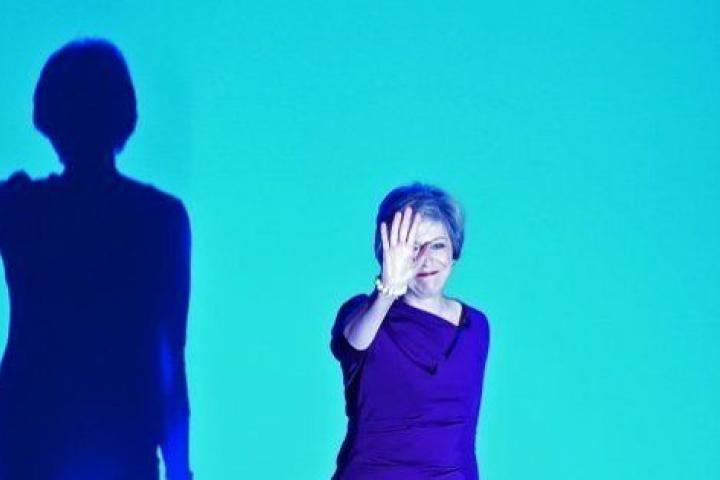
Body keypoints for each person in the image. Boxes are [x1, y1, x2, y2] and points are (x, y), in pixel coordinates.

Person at [0, 39, 192, 480]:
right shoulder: (160, 217)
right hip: (123, 438)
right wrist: (180, 468)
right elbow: (170, 356)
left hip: (28, 438)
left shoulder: (21, 208)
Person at [330, 183, 490, 480]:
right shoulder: (364, 313)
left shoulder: (476, 327)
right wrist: (388, 289)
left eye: (438, 245)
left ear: (454, 250)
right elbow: (351, 344)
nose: (426, 259)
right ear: (387, 253)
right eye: (413, 248)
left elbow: (461, 438)